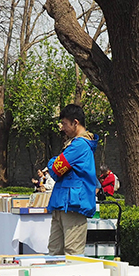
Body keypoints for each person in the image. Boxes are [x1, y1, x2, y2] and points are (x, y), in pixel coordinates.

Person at [46, 104, 99, 256]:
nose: (62, 128)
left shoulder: (79, 145)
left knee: (72, 253)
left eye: (64, 124)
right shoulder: (76, 145)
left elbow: (55, 169)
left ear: (75, 123)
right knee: (55, 252)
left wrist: (52, 161)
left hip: (73, 205)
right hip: (64, 204)